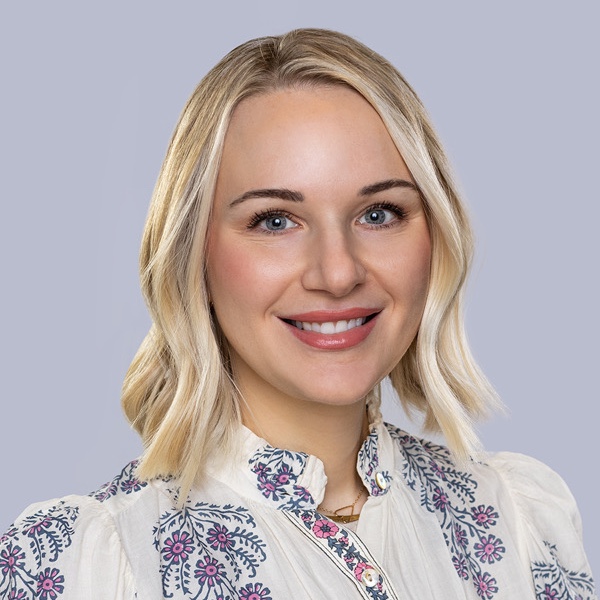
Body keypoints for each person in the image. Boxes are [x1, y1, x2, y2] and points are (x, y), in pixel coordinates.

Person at [0, 28, 595, 600]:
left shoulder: (521, 522)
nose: (337, 273)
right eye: (275, 221)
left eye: (379, 213)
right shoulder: (92, 565)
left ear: (436, 235)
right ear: (193, 253)